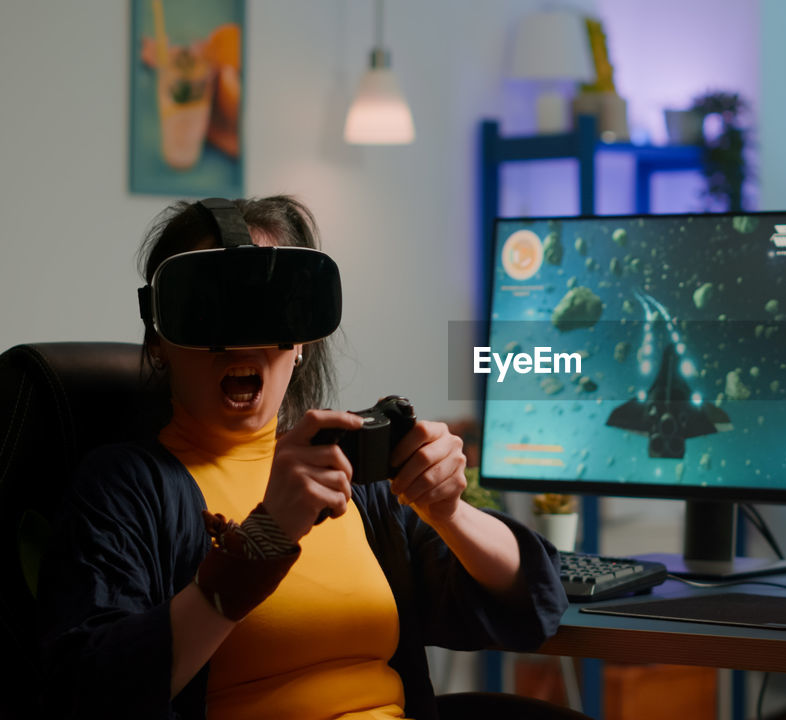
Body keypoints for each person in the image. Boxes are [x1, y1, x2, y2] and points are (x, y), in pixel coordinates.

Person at [38, 196, 568, 719]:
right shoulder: (124, 489)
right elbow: (89, 693)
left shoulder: (349, 475)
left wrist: (449, 512)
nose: (242, 343)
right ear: (159, 340)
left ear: (302, 342)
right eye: (209, 310)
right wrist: (265, 539)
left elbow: (531, 604)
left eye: (270, 310)